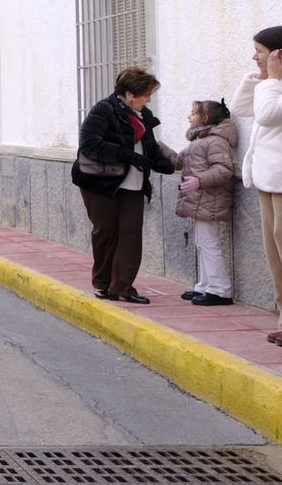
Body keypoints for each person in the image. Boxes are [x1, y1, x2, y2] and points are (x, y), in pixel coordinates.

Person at [73, 67, 176, 304]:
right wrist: (128, 156)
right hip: (100, 183)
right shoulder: (103, 110)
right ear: (130, 94)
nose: (149, 99)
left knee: (131, 234)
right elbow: (89, 145)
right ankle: (102, 283)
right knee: (106, 232)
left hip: (134, 183)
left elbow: (149, 146)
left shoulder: (142, 115)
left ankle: (123, 287)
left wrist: (162, 163)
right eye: (146, 94)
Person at [232, 26, 282, 346]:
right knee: (274, 253)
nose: (254, 57)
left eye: (260, 51)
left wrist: (273, 79)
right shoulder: (272, 87)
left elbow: (265, 115)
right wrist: (259, 79)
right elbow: (241, 108)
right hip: (268, 181)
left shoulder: (276, 90)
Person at [166, 100, 237, 306]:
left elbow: (224, 169)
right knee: (202, 243)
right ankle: (205, 285)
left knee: (209, 243)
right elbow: (179, 161)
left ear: (204, 119)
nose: (189, 117)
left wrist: (199, 180)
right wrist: (157, 145)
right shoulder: (199, 140)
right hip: (200, 200)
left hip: (209, 200)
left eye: (193, 113)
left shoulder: (215, 141)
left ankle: (220, 290)